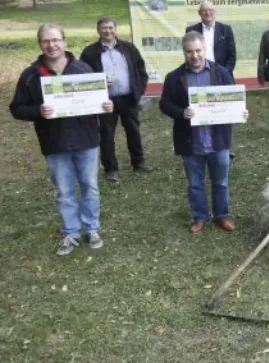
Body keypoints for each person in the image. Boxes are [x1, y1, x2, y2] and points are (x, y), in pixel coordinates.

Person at [9, 24, 113, 255]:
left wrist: (105, 106)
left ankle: (92, 228)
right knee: (64, 191)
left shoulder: (83, 70)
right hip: (54, 143)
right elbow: (16, 108)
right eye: (46, 41)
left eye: (56, 40)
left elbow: (98, 104)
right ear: (40, 44)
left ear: (64, 42)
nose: (51, 45)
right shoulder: (31, 75)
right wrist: (38, 110)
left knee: (90, 187)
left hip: (86, 141)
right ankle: (71, 232)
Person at [159, 31, 245, 234]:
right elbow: (164, 104)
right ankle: (199, 217)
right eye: (189, 52)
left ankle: (222, 215)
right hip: (191, 141)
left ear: (204, 50)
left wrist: (239, 111)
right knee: (195, 184)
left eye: (198, 50)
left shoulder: (221, 73)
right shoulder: (174, 77)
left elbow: (232, 99)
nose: (194, 56)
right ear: (184, 53)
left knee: (221, 182)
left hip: (218, 140)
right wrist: (181, 112)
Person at [80, 17, 152, 182]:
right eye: (104, 28)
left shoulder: (128, 48)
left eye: (110, 27)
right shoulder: (89, 52)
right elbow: (83, 77)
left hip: (128, 98)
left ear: (115, 29)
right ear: (98, 30)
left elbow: (141, 70)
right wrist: (99, 83)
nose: (107, 31)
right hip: (105, 101)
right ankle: (111, 169)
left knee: (133, 131)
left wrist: (138, 91)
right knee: (107, 134)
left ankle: (138, 162)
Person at [185, 1, 237, 75]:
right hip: (199, 73)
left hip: (222, 73)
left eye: (210, 10)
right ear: (199, 13)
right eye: (204, 10)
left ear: (215, 12)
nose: (208, 13)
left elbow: (232, 56)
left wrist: (225, 73)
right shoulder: (191, 30)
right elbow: (188, 54)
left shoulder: (226, 30)